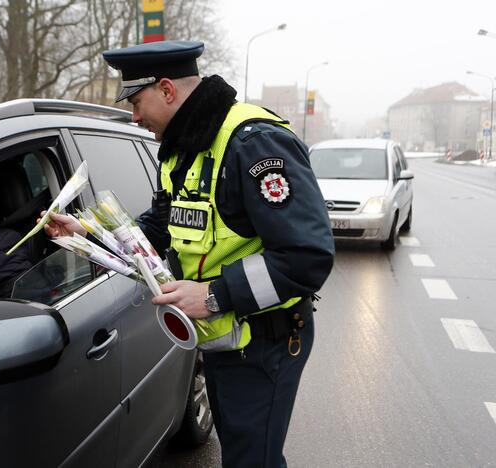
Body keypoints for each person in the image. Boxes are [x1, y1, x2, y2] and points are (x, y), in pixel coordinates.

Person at [43, 40, 334, 467]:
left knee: (253, 461)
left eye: (137, 102)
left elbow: (307, 256)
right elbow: (163, 225)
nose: (134, 117)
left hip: (264, 341)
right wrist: (89, 231)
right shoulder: (183, 147)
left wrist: (215, 294)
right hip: (225, 339)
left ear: (166, 90)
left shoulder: (253, 143)